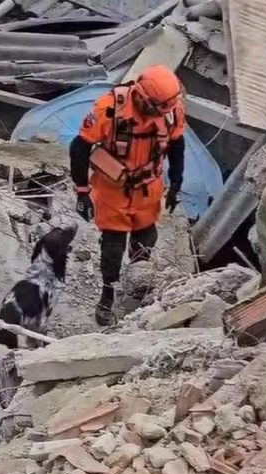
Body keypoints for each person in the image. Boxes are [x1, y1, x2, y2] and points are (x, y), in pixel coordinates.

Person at [70, 65, 186, 325]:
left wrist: (177, 182)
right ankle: (107, 292)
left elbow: (178, 143)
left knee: (146, 236)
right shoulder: (108, 108)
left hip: (148, 185)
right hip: (113, 187)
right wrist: (82, 190)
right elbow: (80, 147)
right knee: (113, 242)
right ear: (145, 99)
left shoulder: (171, 111)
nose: (161, 114)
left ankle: (137, 284)